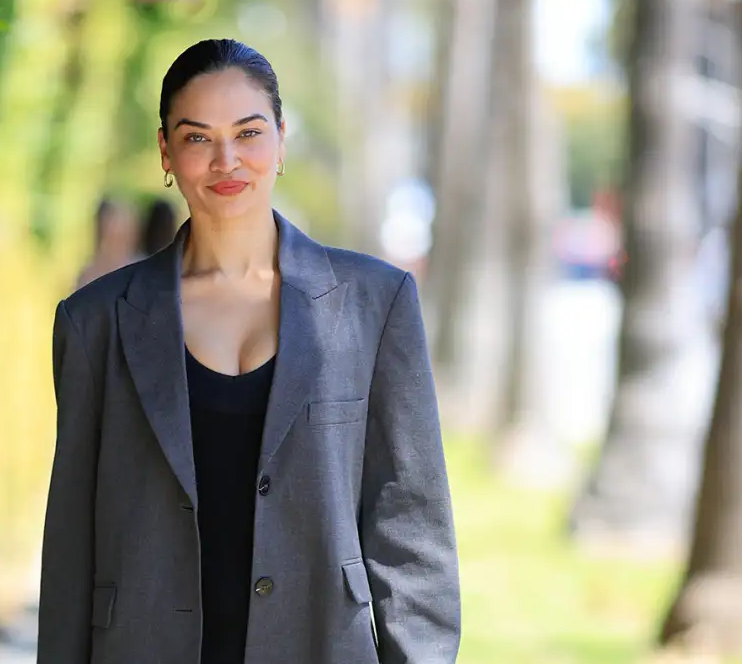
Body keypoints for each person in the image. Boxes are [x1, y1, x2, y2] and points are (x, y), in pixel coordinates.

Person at [40, 38, 460, 664]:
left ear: (281, 140)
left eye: (249, 132)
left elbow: (411, 527)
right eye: (198, 137)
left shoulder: (375, 303)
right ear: (166, 152)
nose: (227, 160)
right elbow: (72, 543)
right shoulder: (95, 322)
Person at [75, 197, 140, 289]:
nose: (118, 245)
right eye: (113, 237)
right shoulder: (89, 276)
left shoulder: (142, 274)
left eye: (123, 236)